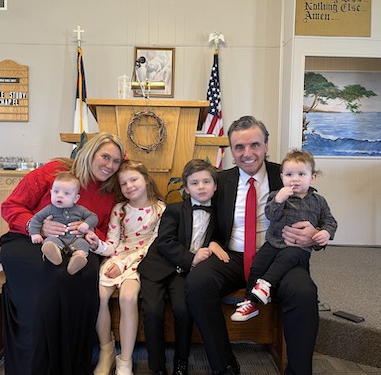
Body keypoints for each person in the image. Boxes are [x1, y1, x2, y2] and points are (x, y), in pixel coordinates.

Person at [186, 115, 323, 375]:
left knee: (303, 292)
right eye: (239, 147)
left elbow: (316, 211)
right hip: (232, 256)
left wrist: (314, 234)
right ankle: (224, 365)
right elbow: (203, 218)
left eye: (255, 145)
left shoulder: (287, 175)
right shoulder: (220, 181)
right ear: (231, 150)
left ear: (266, 145)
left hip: (279, 255)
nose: (247, 153)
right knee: (197, 284)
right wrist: (212, 242)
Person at [0, 132, 125, 375]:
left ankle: (71, 365)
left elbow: (103, 228)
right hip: (28, 238)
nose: (110, 165)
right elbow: (11, 206)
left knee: (83, 274)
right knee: (50, 276)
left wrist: (88, 231)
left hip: (77, 245)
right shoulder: (54, 171)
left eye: (116, 161)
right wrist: (38, 226)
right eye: (105, 157)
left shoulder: (108, 192)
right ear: (90, 152)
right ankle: (36, 363)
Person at [138, 159, 229, 375]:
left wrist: (213, 246)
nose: (201, 187)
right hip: (159, 267)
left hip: (184, 274)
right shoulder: (175, 210)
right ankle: (157, 366)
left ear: (215, 186)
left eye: (207, 181)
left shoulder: (221, 214)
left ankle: (182, 359)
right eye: (195, 183)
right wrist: (192, 259)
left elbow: (220, 240)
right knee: (152, 311)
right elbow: (165, 242)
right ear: (186, 188)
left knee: (183, 309)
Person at [231, 149, 338, 322]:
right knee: (257, 265)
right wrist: (279, 200)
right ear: (282, 177)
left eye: (301, 174)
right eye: (289, 174)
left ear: (313, 177)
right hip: (273, 243)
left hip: (298, 248)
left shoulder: (319, 201)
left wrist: (325, 233)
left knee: (286, 259)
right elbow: (270, 216)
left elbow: (330, 221)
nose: (295, 179)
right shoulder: (276, 196)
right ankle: (250, 302)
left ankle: (265, 285)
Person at [87, 160, 166, 375]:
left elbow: (152, 245)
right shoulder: (120, 209)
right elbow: (112, 243)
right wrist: (97, 245)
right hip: (118, 257)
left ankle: (125, 360)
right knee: (100, 296)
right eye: (124, 183)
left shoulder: (160, 209)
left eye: (134, 179)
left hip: (142, 261)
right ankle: (106, 351)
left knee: (128, 297)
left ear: (146, 179)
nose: (129, 186)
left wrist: (123, 264)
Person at [29, 172, 99, 275]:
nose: (60, 196)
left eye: (66, 193)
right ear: (51, 192)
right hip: (57, 237)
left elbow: (93, 217)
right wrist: (35, 233)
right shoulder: (49, 209)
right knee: (50, 241)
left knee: (83, 244)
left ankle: (77, 259)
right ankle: (54, 254)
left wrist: (86, 224)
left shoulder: (80, 210)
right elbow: (36, 219)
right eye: (56, 192)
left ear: (76, 198)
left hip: (76, 238)